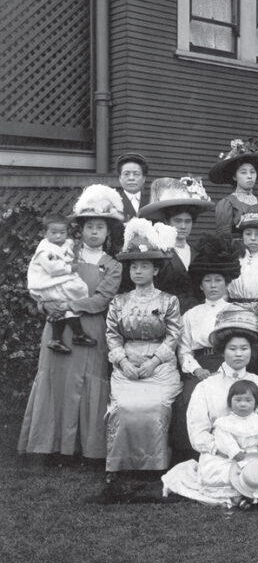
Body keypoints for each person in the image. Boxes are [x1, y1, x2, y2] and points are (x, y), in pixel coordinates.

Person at [19, 187, 124, 461]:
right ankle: (47, 447)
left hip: (90, 329)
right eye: (89, 226)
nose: (93, 232)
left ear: (107, 233)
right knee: (56, 379)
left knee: (87, 383)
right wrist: (45, 305)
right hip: (58, 327)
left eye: (99, 227)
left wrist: (69, 305)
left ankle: (84, 449)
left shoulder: (113, 265)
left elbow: (102, 299)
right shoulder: (63, 255)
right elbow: (42, 281)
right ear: (81, 230)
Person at [162, 307, 258, 504]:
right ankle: (250, 495)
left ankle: (252, 490)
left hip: (257, 455)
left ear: (251, 352)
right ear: (222, 351)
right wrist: (226, 452)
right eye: (232, 349)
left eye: (244, 349)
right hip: (220, 456)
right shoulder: (206, 387)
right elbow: (198, 433)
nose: (238, 354)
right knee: (219, 473)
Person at [102, 218, 182, 489]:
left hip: (160, 365)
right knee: (124, 407)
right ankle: (119, 465)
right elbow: (112, 335)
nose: (138, 271)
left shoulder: (169, 301)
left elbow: (173, 336)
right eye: (134, 266)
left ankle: (154, 465)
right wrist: (123, 362)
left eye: (144, 266)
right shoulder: (119, 301)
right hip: (126, 363)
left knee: (155, 406)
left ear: (155, 269)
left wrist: (154, 362)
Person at [172, 237, 241, 458]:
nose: (213, 285)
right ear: (200, 285)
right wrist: (196, 370)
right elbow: (184, 349)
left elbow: (241, 346)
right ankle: (191, 453)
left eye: (218, 280)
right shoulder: (191, 315)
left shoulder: (235, 311)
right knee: (190, 397)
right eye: (208, 281)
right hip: (201, 367)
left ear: (226, 283)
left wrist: (226, 368)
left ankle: (233, 449)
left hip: (230, 363)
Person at [139, 176, 214, 313]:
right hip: (165, 315)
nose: (183, 226)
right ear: (167, 221)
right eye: (177, 221)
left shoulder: (199, 253)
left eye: (188, 221)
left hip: (197, 315)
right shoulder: (159, 253)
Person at [27, 213, 95, 352]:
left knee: (63, 307)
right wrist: (70, 268)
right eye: (53, 233)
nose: (58, 236)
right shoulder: (45, 250)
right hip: (47, 284)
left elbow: (68, 250)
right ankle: (76, 334)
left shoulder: (65, 244)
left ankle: (59, 339)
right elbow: (53, 268)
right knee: (69, 296)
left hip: (56, 281)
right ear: (45, 233)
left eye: (62, 232)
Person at [210, 137, 258, 240]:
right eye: (243, 172)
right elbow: (224, 240)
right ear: (234, 176)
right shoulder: (227, 204)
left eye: (252, 172)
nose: (249, 176)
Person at [113, 152, 148, 225]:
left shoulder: (152, 201)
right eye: (126, 174)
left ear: (144, 178)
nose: (131, 178)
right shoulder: (113, 203)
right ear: (120, 178)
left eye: (136, 174)